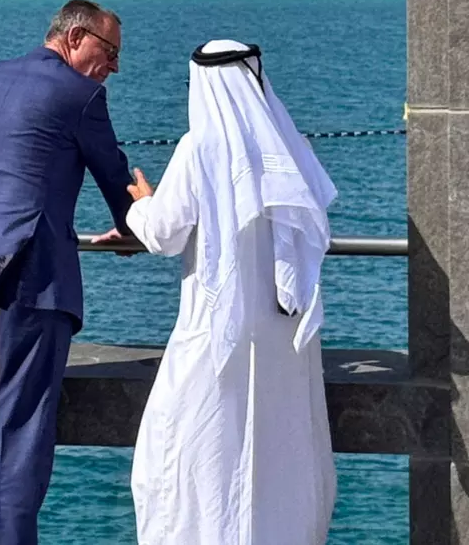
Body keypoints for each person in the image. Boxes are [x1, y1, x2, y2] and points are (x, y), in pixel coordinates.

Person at [0, 0, 136, 545]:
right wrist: (137, 229)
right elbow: (117, 182)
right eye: (109, 52)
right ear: (75, 37)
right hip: (33, 280)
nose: (113, 67)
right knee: (21, 442)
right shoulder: (82, 96)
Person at [123, 39, 339, 545]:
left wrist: (142, 203)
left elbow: (164, 234)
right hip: (284, 335)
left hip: (215, 331)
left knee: (184, 453)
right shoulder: (290, 145)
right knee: (278, 458)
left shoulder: (199, 147)